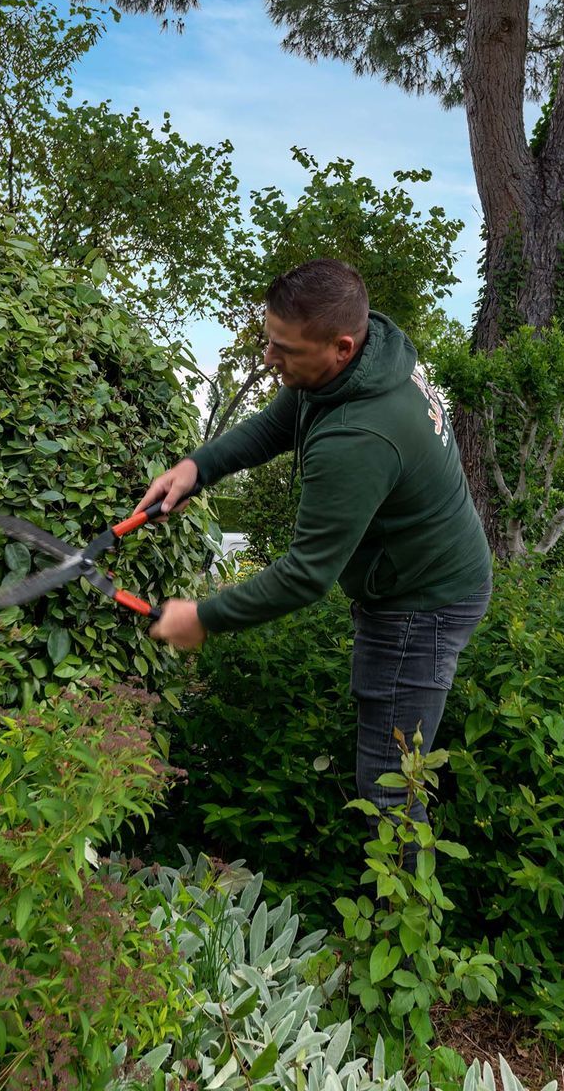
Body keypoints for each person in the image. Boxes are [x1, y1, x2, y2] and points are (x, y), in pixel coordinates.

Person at [137, 258, 493, 826]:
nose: (269, 359)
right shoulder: (354, 363)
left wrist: (203, 617)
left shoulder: (359, 436)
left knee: (391, 788)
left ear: (342, 348)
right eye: (268, 340)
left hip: (422, 604)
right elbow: (277, 424)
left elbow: (305, 575)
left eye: (285, 350)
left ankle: (404, 912)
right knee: (394, 759)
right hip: (425, 572)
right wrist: (196, 469)